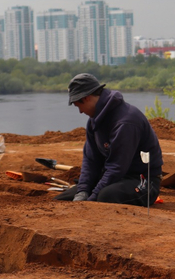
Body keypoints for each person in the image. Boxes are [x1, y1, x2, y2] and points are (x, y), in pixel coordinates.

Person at [55, 73, 164, 206]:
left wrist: (91, 199)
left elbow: (116, 167)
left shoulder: (126, 122)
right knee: (65, 198)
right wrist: (82, 191)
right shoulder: (94, 121)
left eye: (78, 105)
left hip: (143, 181)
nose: (80, 112)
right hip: (118, 178)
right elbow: (91, 160)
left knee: (106, 196)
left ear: (87, 98)